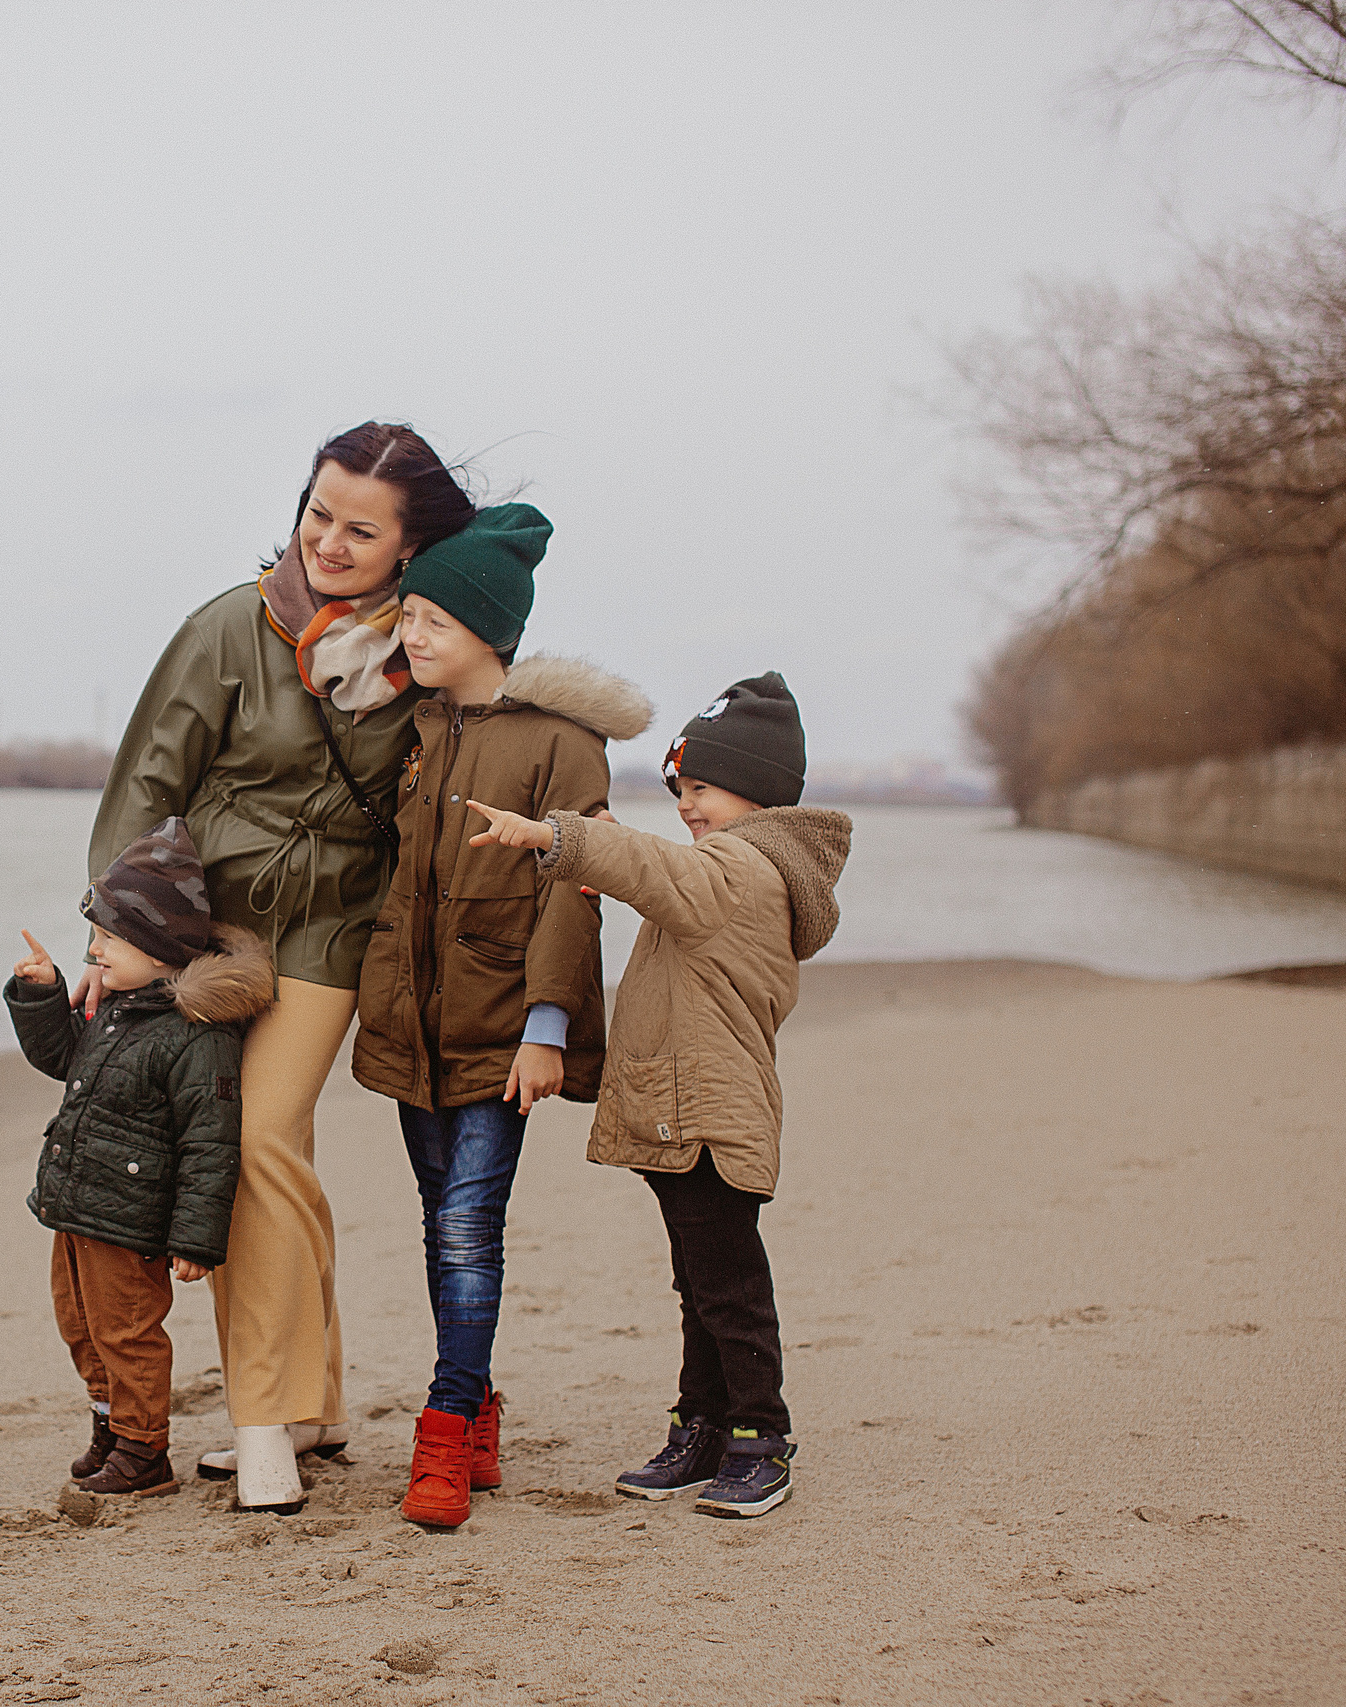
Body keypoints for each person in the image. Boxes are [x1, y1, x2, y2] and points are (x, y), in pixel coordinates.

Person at [86, 421, 478, 1512]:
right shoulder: (226, 628)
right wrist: (111, 938)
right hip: (212, 932)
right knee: (278, 1150)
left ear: (409, 546)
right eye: (319, 515)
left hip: (337, 932)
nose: (331, 543)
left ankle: (261, 1421)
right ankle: (317, 1403)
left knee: (255, 1138)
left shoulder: (422, 647)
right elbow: (143, 789)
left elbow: (487, 747)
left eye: (362, 529)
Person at [464, 672, 851, 1519]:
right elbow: (662, 872)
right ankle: (703, 1422)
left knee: (729, 1287)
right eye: (680, 790)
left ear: (756, 790)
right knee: (701, 1282)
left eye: (702, 789)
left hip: (711, 1113)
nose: (687, 806)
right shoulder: (726, 869)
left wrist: (558, 835)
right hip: (693, 1110)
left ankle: (762, 1435)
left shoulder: (744, 867)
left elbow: (659, 868)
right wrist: (619, 855)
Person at [348, 503, 651, 1527]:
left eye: (434, 618)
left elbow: (576, 891)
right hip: (409, 1025)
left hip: (504, 1030)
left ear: (491, 630)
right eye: (409, 616)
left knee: (472, 1228)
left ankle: (438, 1437)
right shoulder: (414, 725)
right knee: (440, 1229)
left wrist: (547, 1030)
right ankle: (476, 1409)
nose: (413, 635)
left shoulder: (564, 745)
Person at [6, 817, 276, 1496]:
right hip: (77, 1202)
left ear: (159, 947)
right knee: (80, 1325)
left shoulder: (196, 1035)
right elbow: (64, 1057)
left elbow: (209, 1144)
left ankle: (144, 1449)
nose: (94, 952)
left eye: (106, 940)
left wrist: (194, 1238)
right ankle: (109, 1425)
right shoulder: (119, 1007)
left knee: (126, 1333)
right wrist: (43, 990)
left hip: (130, 1220)